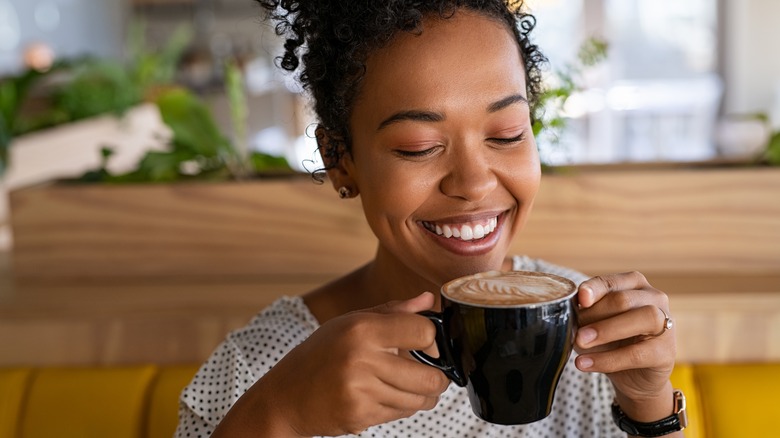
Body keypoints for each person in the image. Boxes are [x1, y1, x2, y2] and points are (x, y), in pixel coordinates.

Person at [175, 1, 681, 436]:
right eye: (419, 147)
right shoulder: (260, 368)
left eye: (506, 134)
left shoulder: (589, 336)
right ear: (340, 159)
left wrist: (648, 404)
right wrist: (279, 415)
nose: (474, 182)